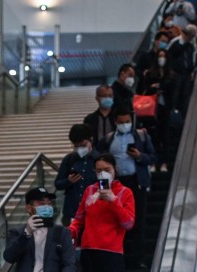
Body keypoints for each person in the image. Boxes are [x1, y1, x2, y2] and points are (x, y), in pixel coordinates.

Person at [105, 109, 155, 261]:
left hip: (137, 182)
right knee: (117, 220)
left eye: (127, 121)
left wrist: (140, 156)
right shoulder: (108, 139)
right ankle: (121, 255)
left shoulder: (140, 135)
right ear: (115, 122)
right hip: (117, 184)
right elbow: (101, 162)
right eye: (121, 122)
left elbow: (153, 157)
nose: (125, 124)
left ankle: (139, 258)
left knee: (138, 220)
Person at [54, 123, 98, 226]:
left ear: (91, 140)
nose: (79, 149)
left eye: (83, 145)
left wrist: (98, 192)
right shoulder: (69, 160)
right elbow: (58, 184)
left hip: (93, 211)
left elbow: (105, 183)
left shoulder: (99, 159)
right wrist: (68, 181)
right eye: (76, 146)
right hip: (72, 212)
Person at [84, 85, 117, 152]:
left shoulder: (118, 116)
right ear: (97, 98)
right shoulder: (89, 119)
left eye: (110, 96)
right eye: (104, 96)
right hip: (96, 153)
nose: (108, 98)